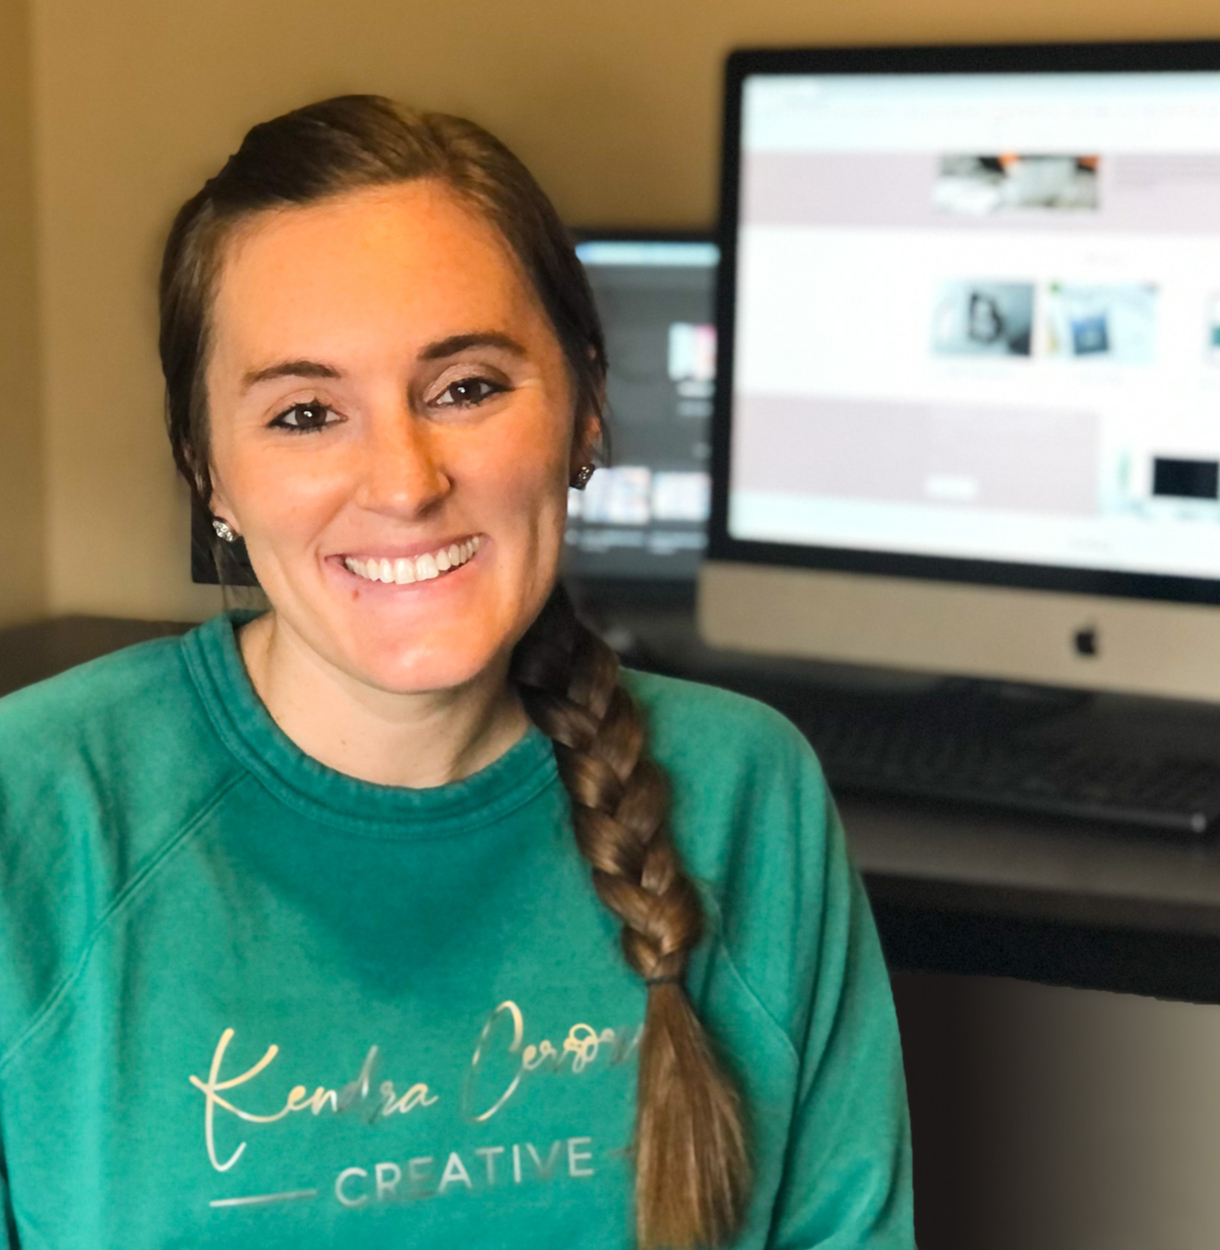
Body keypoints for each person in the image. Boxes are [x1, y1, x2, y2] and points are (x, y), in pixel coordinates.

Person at [0, 96, 913, 1249]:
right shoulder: (36, 807)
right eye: (306, 412)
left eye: (466, 388)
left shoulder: (747, 794)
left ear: (585, 409)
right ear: (209, 474)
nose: (404, 481)